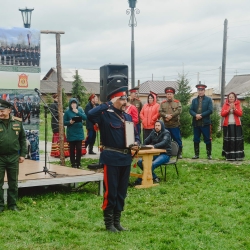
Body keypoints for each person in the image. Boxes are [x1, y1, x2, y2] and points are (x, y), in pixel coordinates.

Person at [88, 86, 140, 233]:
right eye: (122, 99)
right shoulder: (105, 115)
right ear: (115, 100)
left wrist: (137, 142)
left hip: (125, 158)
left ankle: (117, 222)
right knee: (111, 192)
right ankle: (108, 223)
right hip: (111, 158)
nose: (125, 102)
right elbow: (90, 115)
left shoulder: (128, 117)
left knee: (121, 192)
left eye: (126, 99)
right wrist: (107, 104)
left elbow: (136, 135)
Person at [0, 99, 27, 212]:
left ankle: (12, 205)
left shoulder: (17, 122)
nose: (0, 113)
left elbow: (22, 139)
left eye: (2, 111)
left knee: (13, 183)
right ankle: (0, 206)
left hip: (13, 157)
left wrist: (23, 154)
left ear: (9, 110)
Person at [135, 120, 171, 185]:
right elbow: (146, 140)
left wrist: (153, 146)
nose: (156, 127)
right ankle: (155, 177)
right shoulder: (153, 132)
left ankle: (140, 180)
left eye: (158, 125)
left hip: (165, 154)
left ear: (162, 126)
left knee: (152, 164)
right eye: (156, 125)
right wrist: (142, 146)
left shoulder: (166, 133)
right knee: (140, 162)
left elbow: (164, 142)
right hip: (155, 153)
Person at [189, 84, 213, 159]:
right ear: (197, 91)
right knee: (196, 139)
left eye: (202, 90)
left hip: (205, 123)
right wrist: (196, 115)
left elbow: (210, 110)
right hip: (196, 123)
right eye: (199, 90)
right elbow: (190, 110)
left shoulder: (208, 100)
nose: (200, 92)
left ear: (204, 91)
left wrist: (201, 115)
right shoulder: (194, 100)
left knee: (207, 139)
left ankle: (209, 155)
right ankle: (196, 155)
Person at [159, 87, 183, 158]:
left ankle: (179, 153)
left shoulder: (177, 102)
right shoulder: (163, 103)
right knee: (167, 140)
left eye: (170, 94)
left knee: (177, 139)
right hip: (166, 125)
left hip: (174, 125)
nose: (169, 95)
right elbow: (160, 111)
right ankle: (169, 153)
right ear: (166, 95)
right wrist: (166, 115)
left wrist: (171, 116)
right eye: (168, 94)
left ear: (173, 95)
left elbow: (179, 111)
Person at [221, 92, 244, 160]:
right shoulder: (225, 104)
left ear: (235, 98)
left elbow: (240, 114)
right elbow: (222, 114)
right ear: (228, 98)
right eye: (230, 97)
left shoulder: (238, 104)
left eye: (232, 97)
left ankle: (238, 156)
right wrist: (228, 109)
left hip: (236, 125)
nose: (231, 98)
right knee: (229, 141)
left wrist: (234, 109)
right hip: (227, 125)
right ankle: (229, 156)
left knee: (237, 141)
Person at [63, 98, 87, 168]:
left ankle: (78, 162)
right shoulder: (67, 112)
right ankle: (73, 163)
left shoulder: (80, 110)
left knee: (79, 149)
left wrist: (77, 112)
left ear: (77, 104)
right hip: (71, 133)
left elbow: (85, 117)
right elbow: (64, 122)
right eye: (72, 103)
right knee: (72, 149)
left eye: (75, 103)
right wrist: (69, 122)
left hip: (79, 132)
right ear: (70, 104)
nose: (74, 105)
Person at [50, 94, 69, 158]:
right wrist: (61, 113)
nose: (58, 99)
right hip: (55, 122)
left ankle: (64, 152)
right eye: (57, 98)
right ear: (54, 98)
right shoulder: (53, 105)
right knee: (57, 136)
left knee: (62, 136)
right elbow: (53, 114)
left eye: (59, 98)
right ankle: (57, 152)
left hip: (61, 122)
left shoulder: (59, 105)